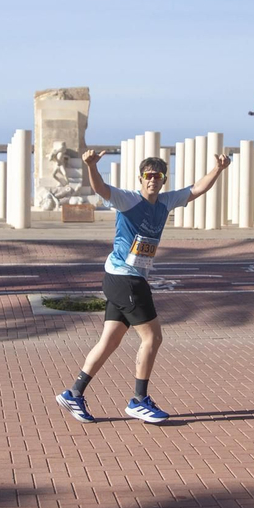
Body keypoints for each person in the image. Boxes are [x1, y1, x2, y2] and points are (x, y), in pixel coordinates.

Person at [55, 147, 230, 424]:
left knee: (110, 340)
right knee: (153, 338)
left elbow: (196, 189)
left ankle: (74, 392)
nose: (153, 180)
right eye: (148, 175)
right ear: (140, 179)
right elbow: (100, 189)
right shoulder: (128, 200)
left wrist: (219, 169)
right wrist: (91, 166)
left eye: (158, 175)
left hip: (125, 279)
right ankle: (139, 400)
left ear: (163, 180)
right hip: (125, 279)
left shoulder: (165, 202)